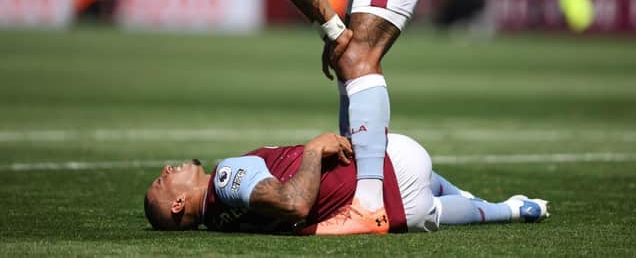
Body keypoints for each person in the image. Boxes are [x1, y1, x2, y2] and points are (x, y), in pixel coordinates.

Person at [141, 0, 446, 234]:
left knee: (356, 56)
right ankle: (368, 183)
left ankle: (368, 202)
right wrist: (328, 30)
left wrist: (335, 29)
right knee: (347, 59)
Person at [143, 132, 549, 234]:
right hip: (384, 174)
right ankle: (502, 206)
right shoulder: (227, 179)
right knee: (431, 197)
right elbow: (294, 204)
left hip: (400, 203)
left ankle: (511, 209)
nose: (165, 169)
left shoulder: (220, 220)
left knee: (437, 210)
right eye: (162, 182)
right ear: (178, 204)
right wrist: (314, 150)